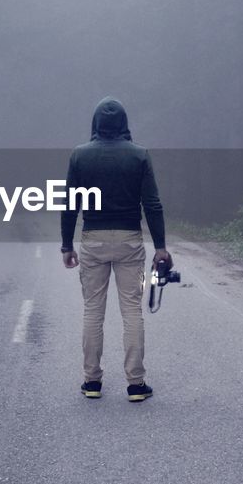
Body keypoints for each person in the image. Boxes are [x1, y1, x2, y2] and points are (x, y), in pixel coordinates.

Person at [60, 97, 171, 402]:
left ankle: (91, 381)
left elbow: (70, 204)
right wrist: (160, 246)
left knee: (93, 310)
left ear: (96, 123)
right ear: (124, 123)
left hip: (93, 239)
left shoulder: (79, 156)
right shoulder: (139, 156)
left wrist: (67, 245)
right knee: (131, 310)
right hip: (129, 242)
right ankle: (136, 384)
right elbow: (152, 203)